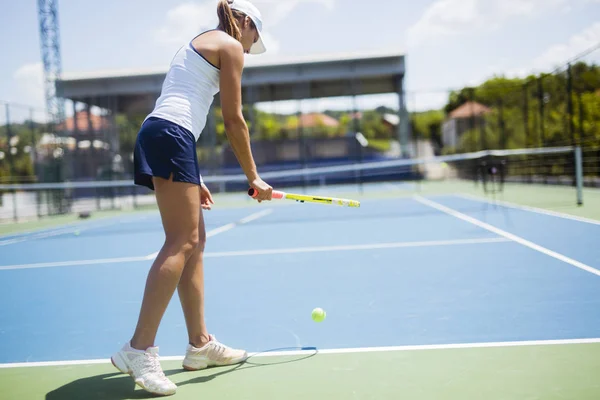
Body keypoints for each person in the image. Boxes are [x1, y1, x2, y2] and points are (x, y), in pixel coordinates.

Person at [110, 0, 272, 396]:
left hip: (170, 134)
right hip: (171, 134)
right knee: (181, 242)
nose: (250, 49)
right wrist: (254, 177)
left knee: (195, 243)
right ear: (245, 24)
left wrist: (193, 174)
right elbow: (233, 118)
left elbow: (182, 101)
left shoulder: (199, 41)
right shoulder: (230, 47)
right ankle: (138, 348)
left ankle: (199, 344)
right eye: (254, 39)